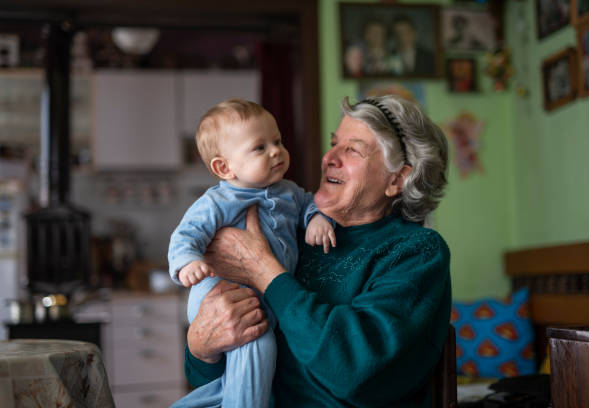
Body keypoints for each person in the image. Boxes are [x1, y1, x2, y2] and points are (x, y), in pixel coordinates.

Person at [183, 95, 451, 407]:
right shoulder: (288, 233)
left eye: (352, 150)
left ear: (397, 179)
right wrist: (201, 346)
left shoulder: (416, 252)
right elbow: (206, 382)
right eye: (334, 143)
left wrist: (264, 270)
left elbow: (354, 372)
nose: (329, 158)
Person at [168, 98, 336, 408]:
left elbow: (309, 203)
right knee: (258, 343)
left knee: (241, 376)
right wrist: (187, 262)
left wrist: (316, 219)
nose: (276, 151)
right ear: (224, 167)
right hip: (223, 296)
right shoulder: (219, 201)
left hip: (262, 297)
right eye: (259, 147)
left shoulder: (289, 191)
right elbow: (186, 234)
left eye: (277, 141)